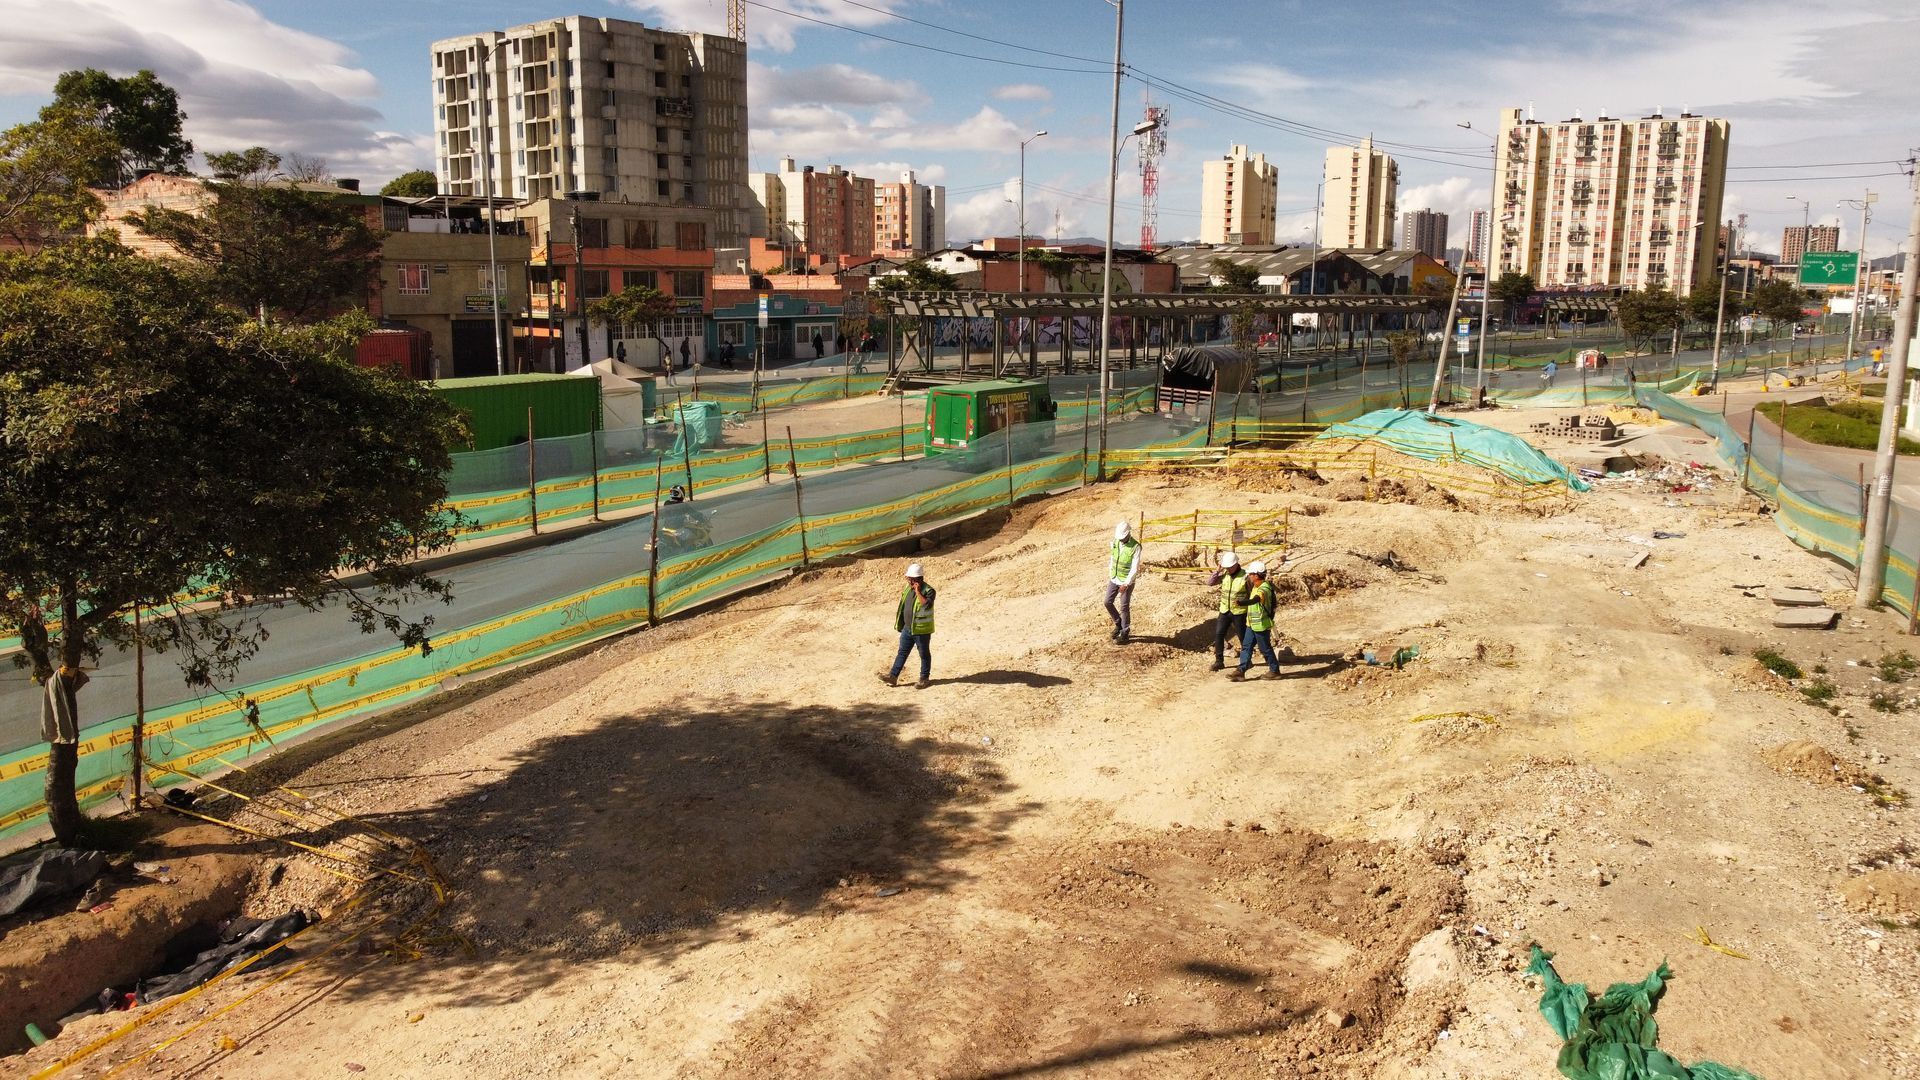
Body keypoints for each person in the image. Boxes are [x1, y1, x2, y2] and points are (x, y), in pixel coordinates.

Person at [881, 563, 936, 688]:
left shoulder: (929, 591)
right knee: (902, 653)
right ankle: (893, 676)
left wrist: (917, 591)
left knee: (924, 654)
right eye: (909, 579)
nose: (909, 581)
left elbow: (925, 605)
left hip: (921, 630)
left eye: (912, 579)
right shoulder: (907, 589)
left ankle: (924, 678)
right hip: (907, 628)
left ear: (919, 579)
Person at [1229, 562, 1281, 681]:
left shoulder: (1264, 589)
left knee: (1265, 649)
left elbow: (1256, 600)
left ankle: (1274, 670)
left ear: (1257, 575)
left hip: (1261, 625)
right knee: (1246, 647)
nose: (1249, 576)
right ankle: (1241, 671)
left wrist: (1241, 603)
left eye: (1251, 574)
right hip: (1251, 624)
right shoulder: (1256, 586)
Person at [1205, 551, 1249, 672]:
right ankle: (1219, 661)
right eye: (1226, 567)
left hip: (1239, 612)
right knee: (1219, 635)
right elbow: (1210, 583)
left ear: (1236, 564)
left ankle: (1246, 661)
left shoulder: (1245, 576)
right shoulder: (1225, 575)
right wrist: (1217, 571)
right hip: (1225, 610)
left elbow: (1251, 594)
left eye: (1229, 567)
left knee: (1242, 637)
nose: (1228, 569)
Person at [1105, 520, 1141, 645]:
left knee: (1124, 606)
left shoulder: (1136, 547)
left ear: (1128, 534)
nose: (1121, 539)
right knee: (1107, 602)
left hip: (1127, 581)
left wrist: (1126, 583)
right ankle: (1118, 623)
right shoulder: (1115, 542)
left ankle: (1125, 632)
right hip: (1114, 578)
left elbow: (1134, 568)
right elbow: (1112, 558)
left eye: (1123, 537)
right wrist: (1110, 572)